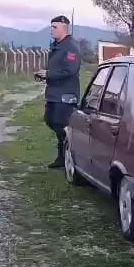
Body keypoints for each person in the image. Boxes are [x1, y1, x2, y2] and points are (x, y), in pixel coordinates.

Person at [34, 15, 81, 169]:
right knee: (50, 120)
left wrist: (49, 74)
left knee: (62, 125)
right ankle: (62, 156)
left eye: (55, 27)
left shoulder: (71, 46)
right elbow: (56, 68)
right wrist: (44, 74)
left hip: (65, 95)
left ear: (64, 28)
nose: (51, 30)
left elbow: (70, 70)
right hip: (54, 93)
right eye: (51, 27)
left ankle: (68, 158)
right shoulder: (57, 45)